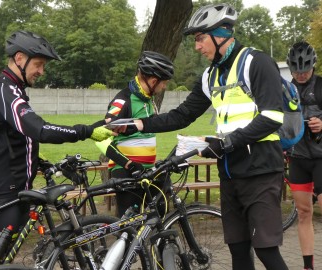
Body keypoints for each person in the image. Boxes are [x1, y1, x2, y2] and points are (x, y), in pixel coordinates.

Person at [116, 3, 289, 270]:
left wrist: (228, 142)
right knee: (238, 251)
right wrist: (138, 123)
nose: (197, 46)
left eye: (200, 38)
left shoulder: (257, 62)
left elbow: (272, 117)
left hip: (262, 171)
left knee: (266, 249)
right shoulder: (211, 75)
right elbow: (182, 114)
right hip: (230, 172)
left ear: (221, 34)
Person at [0, 30, 114, 268]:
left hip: (13, 185)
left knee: (1, 258)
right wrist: (86, 131)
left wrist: (40, 163)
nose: (42, 71)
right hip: (3, 189)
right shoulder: (4, 91)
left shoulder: (12, 90)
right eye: (39, 64)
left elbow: (12, 139)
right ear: (20, 58)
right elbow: (39, 130)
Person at [96, 51, 174, 217]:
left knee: (158, 216)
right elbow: (101, 140)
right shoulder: (124, 100)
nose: (164, 87)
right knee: (129, 224)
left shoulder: (147, 100)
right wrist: (129, 164)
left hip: (147, 171)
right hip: (126, 171)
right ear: (153, 81)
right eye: (164, 83)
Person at [286, 41, 322, 270]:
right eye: (297, 71)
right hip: (297, 158)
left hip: (321, 157)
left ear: (313, 66)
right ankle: (308, 266)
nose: (301, 75)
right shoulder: (284, 89)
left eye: (305, 70)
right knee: (304, 213)